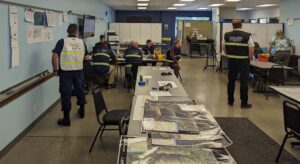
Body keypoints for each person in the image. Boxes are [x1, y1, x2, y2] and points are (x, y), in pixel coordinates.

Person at [52, 24, 88, 126]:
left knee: (66, 93)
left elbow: (54, 56)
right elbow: (86, 57)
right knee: (80, 90)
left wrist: (55, 70)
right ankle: (82, 111)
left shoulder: (62, 41)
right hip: (79, 71)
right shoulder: (82, 42)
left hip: (65, 72)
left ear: (67, 31)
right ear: (76, 32)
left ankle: (66, 119)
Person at [223, 19, 254, 109]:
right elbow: (251, 48)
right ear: (241, 25)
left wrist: (228, 55)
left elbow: (223, 47)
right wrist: (249, 57)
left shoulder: (227, 35)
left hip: (232, 61)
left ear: (232, 25)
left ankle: (230, 101)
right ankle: (244, 103)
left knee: (231, 81)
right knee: (244, 82)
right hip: (243, 62)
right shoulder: (247, 35)